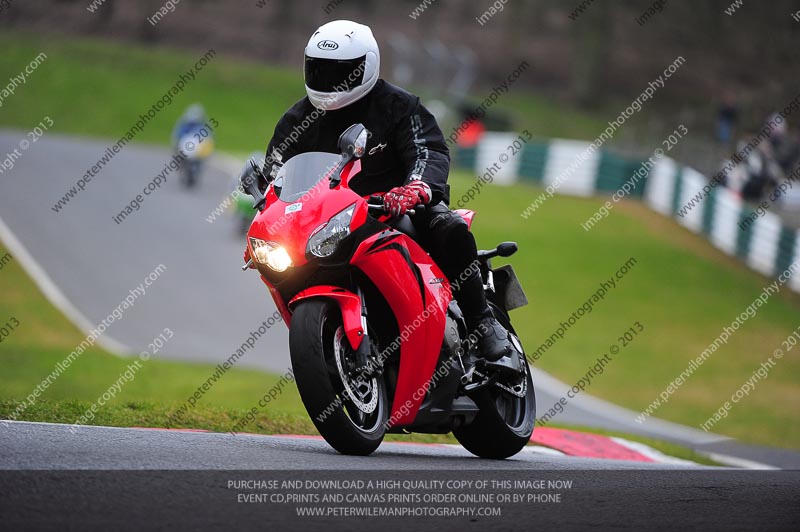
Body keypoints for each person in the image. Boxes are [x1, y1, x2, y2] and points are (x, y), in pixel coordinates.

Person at [260, 20, 512, 362]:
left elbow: (428, 150)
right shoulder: (298, 118)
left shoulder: (398, 105)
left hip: (400, 208)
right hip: (333, 220)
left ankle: (483, 323)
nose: (328, 80)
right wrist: (266, 197)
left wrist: (416, 188)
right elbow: (277, 170)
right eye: (319, 69)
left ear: (368, 66)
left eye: (342, 72)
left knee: (449, 228)